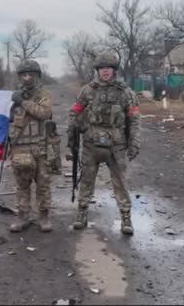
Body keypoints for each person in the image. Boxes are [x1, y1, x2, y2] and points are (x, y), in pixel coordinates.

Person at [67, 51, 141, 235]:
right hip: (91, 145)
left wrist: (134, 142)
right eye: (102, 68)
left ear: (114, 70)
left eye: (108, 68)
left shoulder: (126, 93)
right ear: (97, 70)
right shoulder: (87, 91)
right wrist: (73, 135)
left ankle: (126, 218)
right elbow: (74, 112)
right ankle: (81, 214)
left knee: (120, 184)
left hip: (116, 146)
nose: (105, 72)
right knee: (86, 181)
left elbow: (134, 120)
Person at [7, 59, 56, 233]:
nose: (27, 78)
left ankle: (44, 216)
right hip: (19, 148)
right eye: (23, 75)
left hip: (40, 148)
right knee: (22, 185)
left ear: (37, 76)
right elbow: (7, 121)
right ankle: (22, 216)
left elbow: (44, 113)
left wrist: (23, 102)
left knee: (43, 183)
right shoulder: (14, 97)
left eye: (31, 74)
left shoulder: (44, 94)